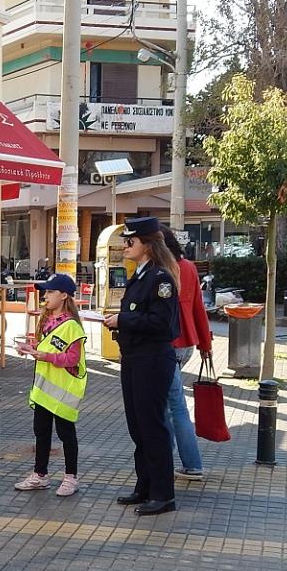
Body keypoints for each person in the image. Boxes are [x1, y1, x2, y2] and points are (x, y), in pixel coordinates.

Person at [102, 216, 180, 516]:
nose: (125, 246)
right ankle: (145, 486)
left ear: (147, 244)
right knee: (138, 426)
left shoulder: (160, 279)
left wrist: (124, 320)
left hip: (152, 360)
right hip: (134, 358)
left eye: (130, 241)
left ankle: (163, 494)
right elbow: (140, 318)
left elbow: (164, 324)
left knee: (153, 426)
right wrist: (120, 324)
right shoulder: (139, 276)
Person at [13, 273, 87, 497]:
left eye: (51, 292)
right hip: (44, 390)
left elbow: (72, 359)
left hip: (64, 391)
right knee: (41, 433)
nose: (45, 296)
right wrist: (30, 348)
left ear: (64, 295)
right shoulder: (45, 320)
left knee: (66, 434)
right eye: (45, 291)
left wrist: (43, 355)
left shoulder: (72, 326)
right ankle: (40, 475)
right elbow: (45, 347)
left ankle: (70, 478)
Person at [162, 227, 213, 480]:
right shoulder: (189, 267)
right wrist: (206, 344)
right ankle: (168, 458)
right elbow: (198, 309)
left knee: (174, 406)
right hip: (187, 344)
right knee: (170, 404)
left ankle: (189, 464)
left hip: (168, 345)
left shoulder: (162, 271)